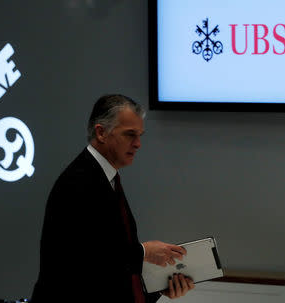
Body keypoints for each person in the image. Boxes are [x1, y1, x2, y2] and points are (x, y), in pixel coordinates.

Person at [31, 94, 194, 303]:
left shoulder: (107, 179)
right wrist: (143, 252)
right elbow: (87, 260)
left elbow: (113, 274)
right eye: (130, 134)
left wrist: (157, 289)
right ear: (101, 132)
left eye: (140, 135)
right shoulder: (77, 181)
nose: (138, 144)